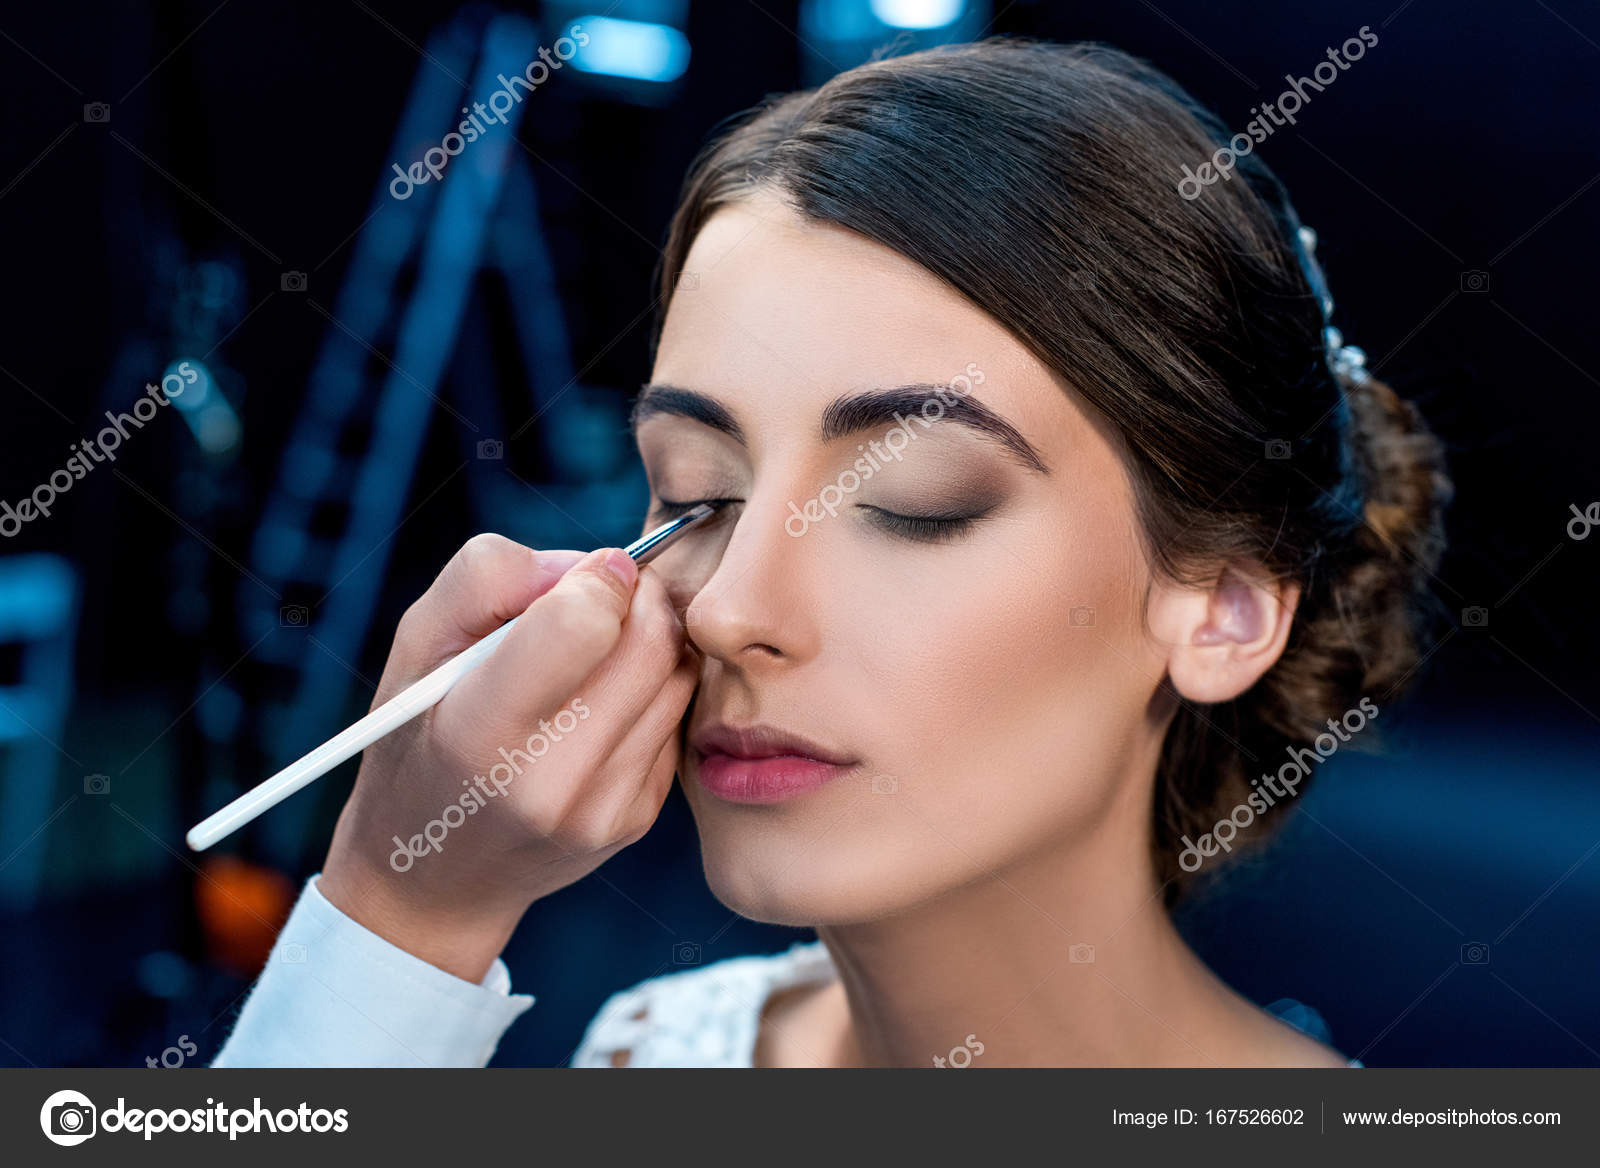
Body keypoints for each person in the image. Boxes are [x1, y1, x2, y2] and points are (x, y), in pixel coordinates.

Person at [215, 38, 1449, 1068]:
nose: (730, 607)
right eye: (696, 495)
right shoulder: (651, 1056)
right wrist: (401, 912)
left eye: (913, 500)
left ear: (1225, 604)